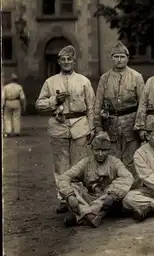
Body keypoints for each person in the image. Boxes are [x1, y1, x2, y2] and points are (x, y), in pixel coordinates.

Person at [35, 45, 96, 214]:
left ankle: (78, 197)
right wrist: (54, 100)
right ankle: (63, 198)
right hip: (58, 125)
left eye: (69, 59)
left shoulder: (84, 81)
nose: (66, 62)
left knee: (79, 165)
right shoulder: (50, 81)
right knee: (61, 166)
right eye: (63, 60)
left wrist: (92, 128)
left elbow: (91, 106)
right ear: (59, 62)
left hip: (80, 124)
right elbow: (39, 104)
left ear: (74, 61)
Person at [58, 131, 134, 228]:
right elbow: (65, 177)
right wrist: (69, 195)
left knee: (117, 190)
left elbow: (128, 177)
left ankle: (81, 215)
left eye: (104, 150)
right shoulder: (85, 162)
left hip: (107, 200)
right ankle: (90, 215)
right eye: (97, 150)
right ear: (92, 149)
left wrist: (114, 194)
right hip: (89, 198)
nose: (100, 154)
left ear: (109, 150)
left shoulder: (115, 162)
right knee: (74, 186)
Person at [94, 41, 144, 179]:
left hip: (131, 125)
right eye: (116, 57)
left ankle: (132, 194)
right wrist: (98, 128)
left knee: (131, 160)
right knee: (113, 160)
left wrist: (140, 127)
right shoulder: (105, 78)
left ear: (127, 58)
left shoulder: (136, 77)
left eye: (122, 56)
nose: (119, 60)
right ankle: (115, 193)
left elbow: (143, 104)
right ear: (112, 58)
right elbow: (97, 104)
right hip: (111, 125)